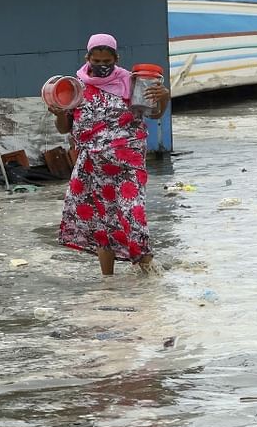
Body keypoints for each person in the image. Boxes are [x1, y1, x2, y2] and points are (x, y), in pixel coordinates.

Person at [49, 33, 171, 276]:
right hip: (94, 166)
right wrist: (59, 112)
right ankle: (108, 283)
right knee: (103, 224)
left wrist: (164, 98)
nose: (102, 66)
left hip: (128, 164)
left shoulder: (133, 82)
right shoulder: (76, 87)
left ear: (117, 59)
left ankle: (151, 275)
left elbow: (154, 114)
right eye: (97, 61)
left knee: (132, 214)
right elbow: (65, 128)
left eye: (108, 61)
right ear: (88, 58)